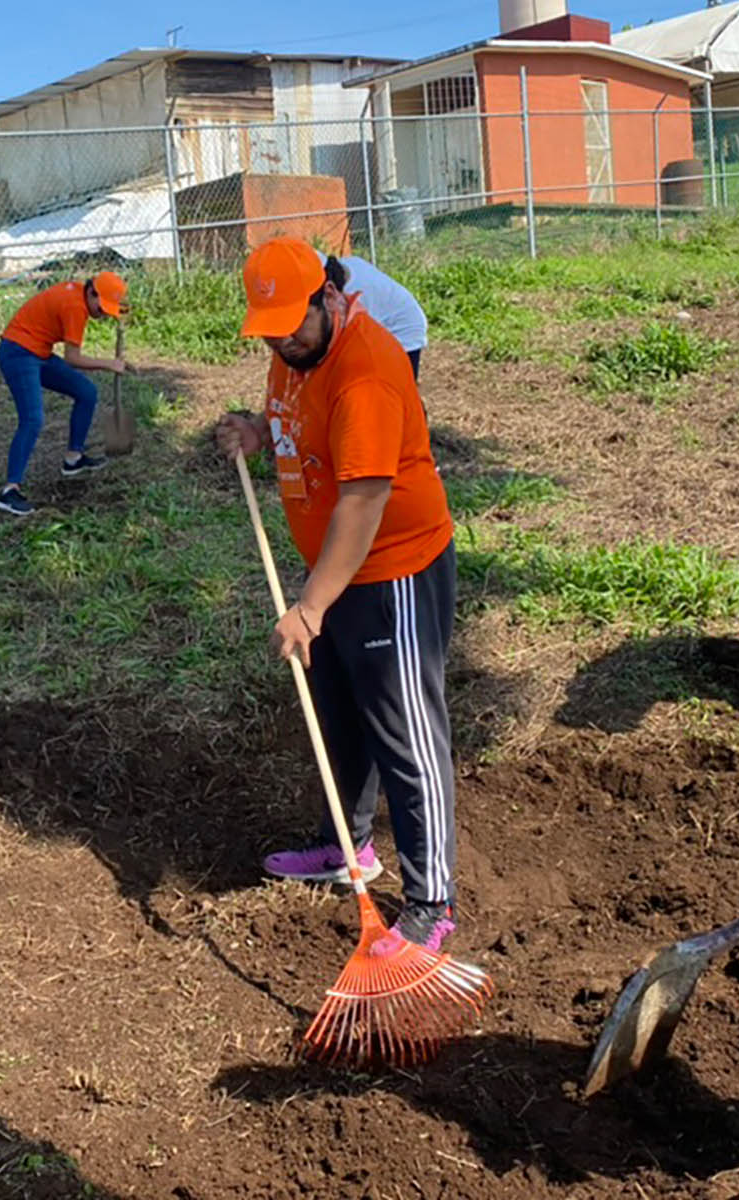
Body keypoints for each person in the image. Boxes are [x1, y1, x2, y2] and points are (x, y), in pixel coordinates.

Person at [215, 236, 462, 953]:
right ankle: (347, 846)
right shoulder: (292, 346)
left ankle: (431, 902)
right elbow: (302, 419)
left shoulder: (369, 371)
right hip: (334, 568)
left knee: (405, 731)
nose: (284, 341)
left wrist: (312, 606)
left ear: (330, 296)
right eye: (271, 331)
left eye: (296, 323)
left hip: (392, 568)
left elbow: (363, 502)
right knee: (337, 713)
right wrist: (261, 432)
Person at [0, 270, 130, 516]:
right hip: (18, 353)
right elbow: (73, 358)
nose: (101, 315)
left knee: (86, 392)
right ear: (92, 293)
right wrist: (110, 364)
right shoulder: (75, 307)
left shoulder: (81, 296)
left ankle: (73, 459)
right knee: (32, 419)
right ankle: (9, 491)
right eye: (102, 309)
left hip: (39, 352)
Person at [317, 250, 428, 378]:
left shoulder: (352, 297)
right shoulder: (347, 264)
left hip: (404, 329)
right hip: (387, 316)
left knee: (395, 387)